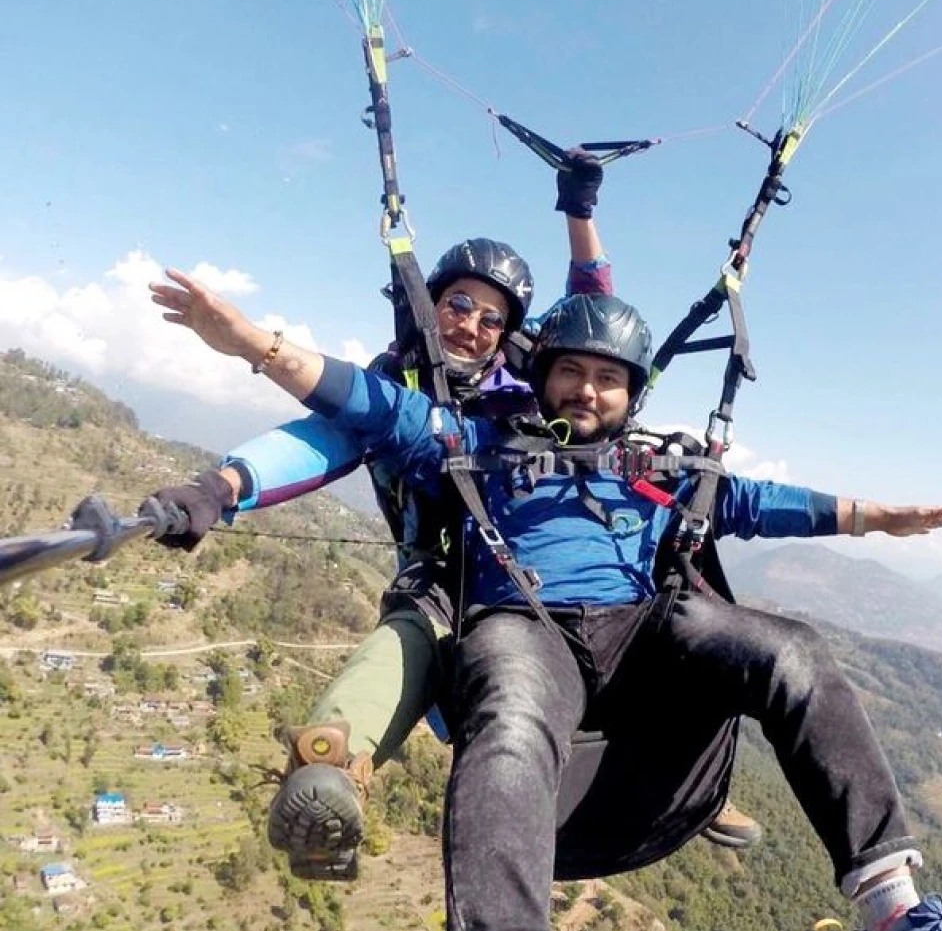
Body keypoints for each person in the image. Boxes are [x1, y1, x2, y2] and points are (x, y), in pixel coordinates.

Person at [146, 278, 942, 931]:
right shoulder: (476, 438)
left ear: (630, 394)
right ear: (543, 375)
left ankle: (894, 924)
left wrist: (871, 518)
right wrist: (253, 344)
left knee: (794, 651)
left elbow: (753, 501)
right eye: (573, 371)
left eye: (608, 379)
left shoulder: (655, 465)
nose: (588, 390)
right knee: (504, 716)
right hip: (523, 621)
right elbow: (366, 404)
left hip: (649, 629)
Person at [149, 154, 760, 877]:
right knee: (415, 629)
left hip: (560, 565)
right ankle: (332, 769)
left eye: (492, 317)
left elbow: (593, 307)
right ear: (429, 303)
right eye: (458, 305)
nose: (471, 324)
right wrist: (219, 486)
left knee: (678, 575)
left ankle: (698, 765)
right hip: (452, 574)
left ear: (510, 335)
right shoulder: (389, 391)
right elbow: (317, 441)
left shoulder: (532, 392)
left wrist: (580, 211)